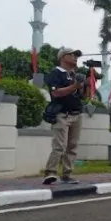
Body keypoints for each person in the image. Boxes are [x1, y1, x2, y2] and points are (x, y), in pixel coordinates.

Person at [42, 47, 86, 185]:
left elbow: (82, 96)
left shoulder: (75, 74)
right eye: (71, 55)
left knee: (72, 146)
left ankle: (67, 174)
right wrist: (75, 86)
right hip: (62, 114)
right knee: (59, 145)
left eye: (76, 55)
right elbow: (56, 93)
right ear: (62, 57)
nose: (75, 57)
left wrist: (84, 85)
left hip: (76, 113)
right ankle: (50, 172)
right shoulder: (55, 73)